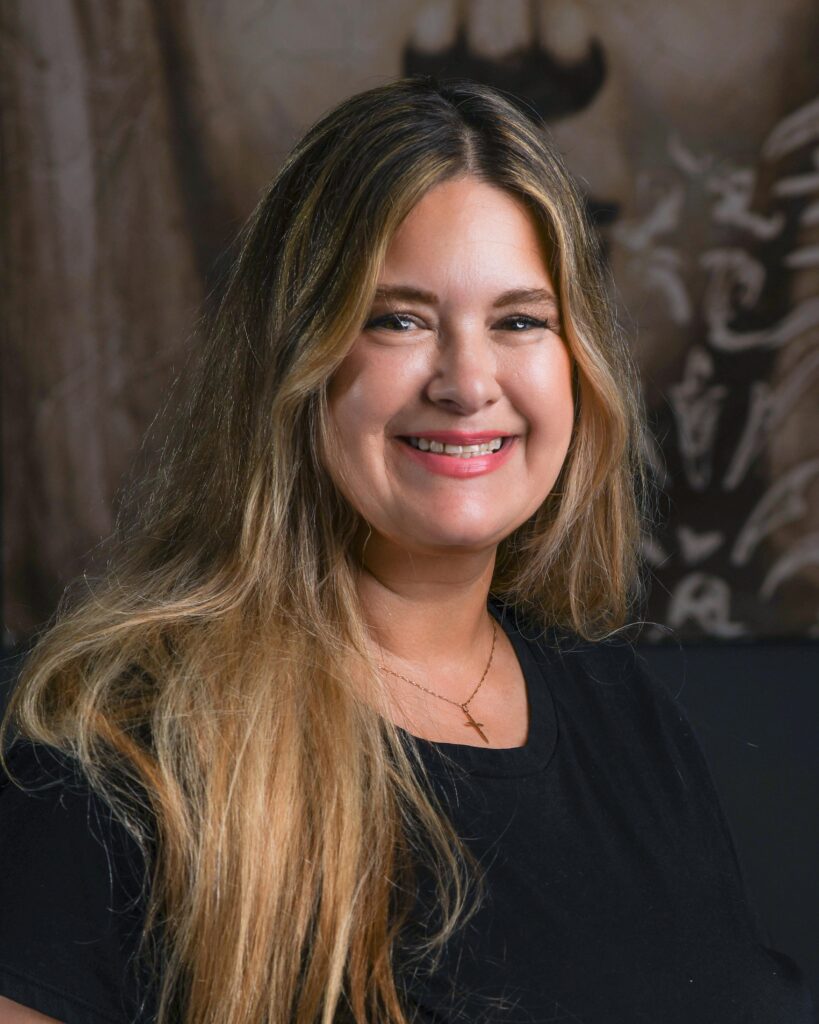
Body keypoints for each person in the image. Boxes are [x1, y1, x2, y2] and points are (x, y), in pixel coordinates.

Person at [0, 77, 814, 1024]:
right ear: (295, 358)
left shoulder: (623, 715)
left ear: (578, 362)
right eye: (399, 319)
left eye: (518, 321)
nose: (468, 384)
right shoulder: (114, 744)